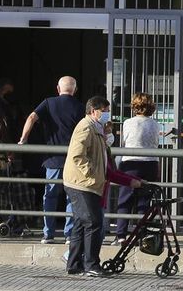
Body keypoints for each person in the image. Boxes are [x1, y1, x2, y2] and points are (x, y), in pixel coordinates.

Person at [62, 95, 144, 278]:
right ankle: (91, 264)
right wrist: (93, 173)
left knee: (81, 224)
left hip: (87, 183)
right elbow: (77, 156)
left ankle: (74, 264)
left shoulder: (97, 130)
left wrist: (131, 181)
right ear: (94, 111)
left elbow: (108, 169)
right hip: (83, 184)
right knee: (93, 222)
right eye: (105, 111)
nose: (107, 115)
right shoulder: (86, 127)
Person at [17, 76, 85, 244]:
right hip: (73, 158)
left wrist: (23, 139)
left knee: (50, 196)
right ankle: (69, 234)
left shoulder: (48, 103)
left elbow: (32, 117)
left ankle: (48, 233)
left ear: (58, 88)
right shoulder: (80, 106)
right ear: (75, 90)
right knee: (72, 197)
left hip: (52, 159)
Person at [111, 92, 164, 239]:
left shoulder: (128, 123)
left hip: (130, 163)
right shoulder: (155, 124)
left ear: (134, 106)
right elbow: (156, 143)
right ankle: (142, 234)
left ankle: (121, 234)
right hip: (150, 163)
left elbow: (124, 143)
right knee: (144, 201)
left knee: (125, 199)